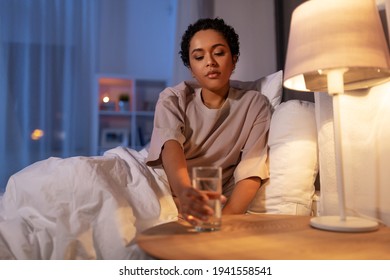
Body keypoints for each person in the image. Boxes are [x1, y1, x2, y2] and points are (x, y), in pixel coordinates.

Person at [146, 18, 272, 227]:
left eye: (219, 53)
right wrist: (186, 195)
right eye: (199, 56)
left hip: (212, 195)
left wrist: (227, 220)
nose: (210, 62)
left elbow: (252, 169)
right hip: (165, 183)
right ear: (191, 68)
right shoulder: (173, 98)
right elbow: (170, 146)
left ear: (234, 59)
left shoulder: (255, 104)